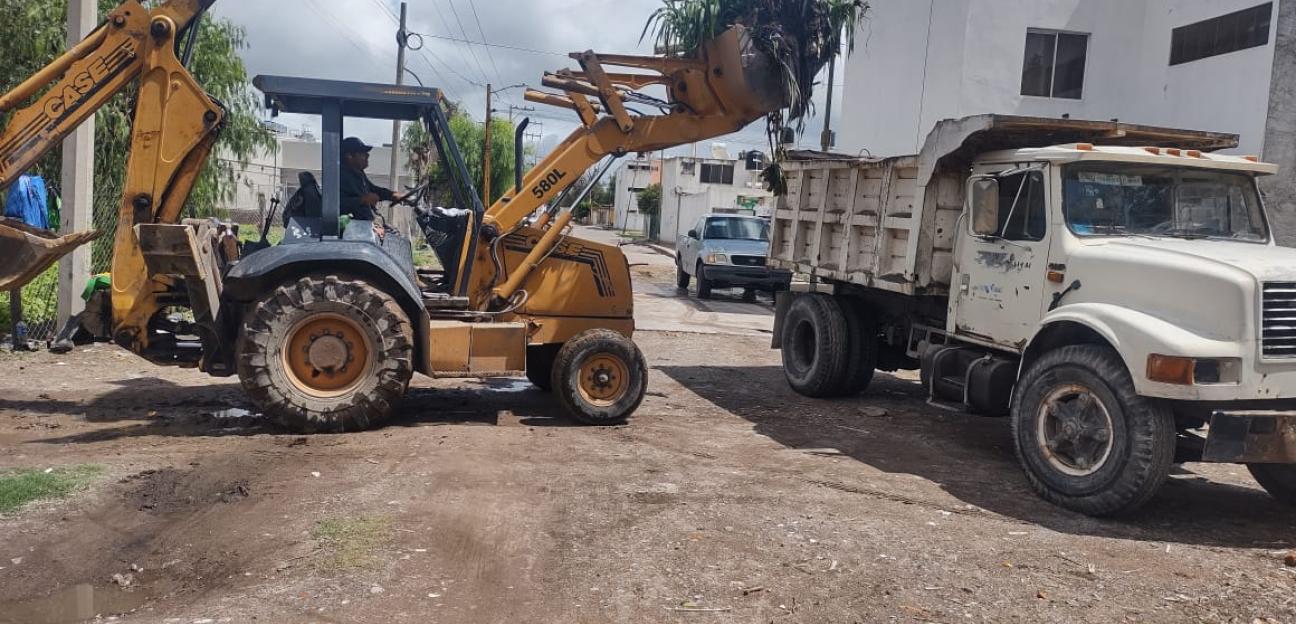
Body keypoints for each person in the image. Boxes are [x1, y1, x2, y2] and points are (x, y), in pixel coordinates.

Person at [340, 137, 409, 222]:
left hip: (364, 224)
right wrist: (362, 200)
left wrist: (393, 195)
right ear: (349, 156)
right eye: (362, 153)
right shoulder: (340, 176)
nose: (367, 155)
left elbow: (374, 190)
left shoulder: (358, 173)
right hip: (352, 226)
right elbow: (336, 204)